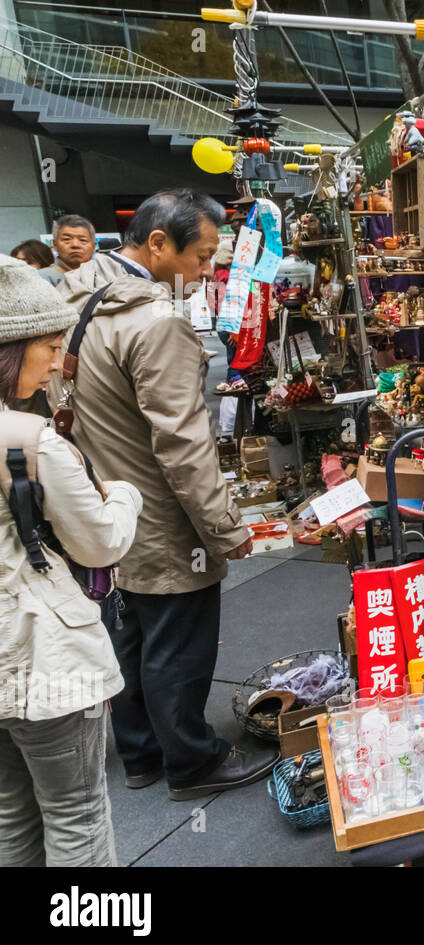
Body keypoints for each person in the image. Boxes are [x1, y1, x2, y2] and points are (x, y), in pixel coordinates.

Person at [57, 189, 271, 801]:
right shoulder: (157, 322)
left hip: (101, 507)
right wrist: (227, 528)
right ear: (158, 243)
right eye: (201, 256)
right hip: (160, 513)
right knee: (178, 637)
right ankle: (193, 760)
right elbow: (183, 443)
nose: (207, 272)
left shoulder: (81, 303)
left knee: (126, 631)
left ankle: (142, 752)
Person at [0, 254, 143, 865]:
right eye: (50, 345)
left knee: (10, 819)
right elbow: (101, 542)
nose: (58, 361)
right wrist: (125, 496)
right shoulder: (28, 441)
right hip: (42, 656)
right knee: (77, 818)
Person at [38, 214, 97, 286]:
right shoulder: (41, 278)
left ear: (93, 247)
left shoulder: (105, 276)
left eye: (83, 240)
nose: (75, 245)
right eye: (67, 239)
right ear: (55, 245)